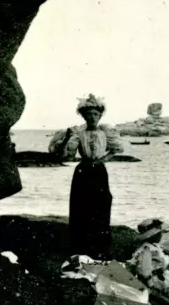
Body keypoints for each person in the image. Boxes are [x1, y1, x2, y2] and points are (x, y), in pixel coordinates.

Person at [51, 94, 124, 258]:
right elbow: (67, 156)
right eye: (89, 114)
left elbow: (116, 150)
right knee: (81, 206)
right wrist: (67, 139)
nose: (92, 117)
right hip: (83, 171)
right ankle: (81, 246)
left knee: (101, 204)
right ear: (84, 116)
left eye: (95, 114)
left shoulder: (106, 132)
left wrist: (101, 160)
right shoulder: (78, 133)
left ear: (100, 116)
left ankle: (100, 246)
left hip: (99, 171)